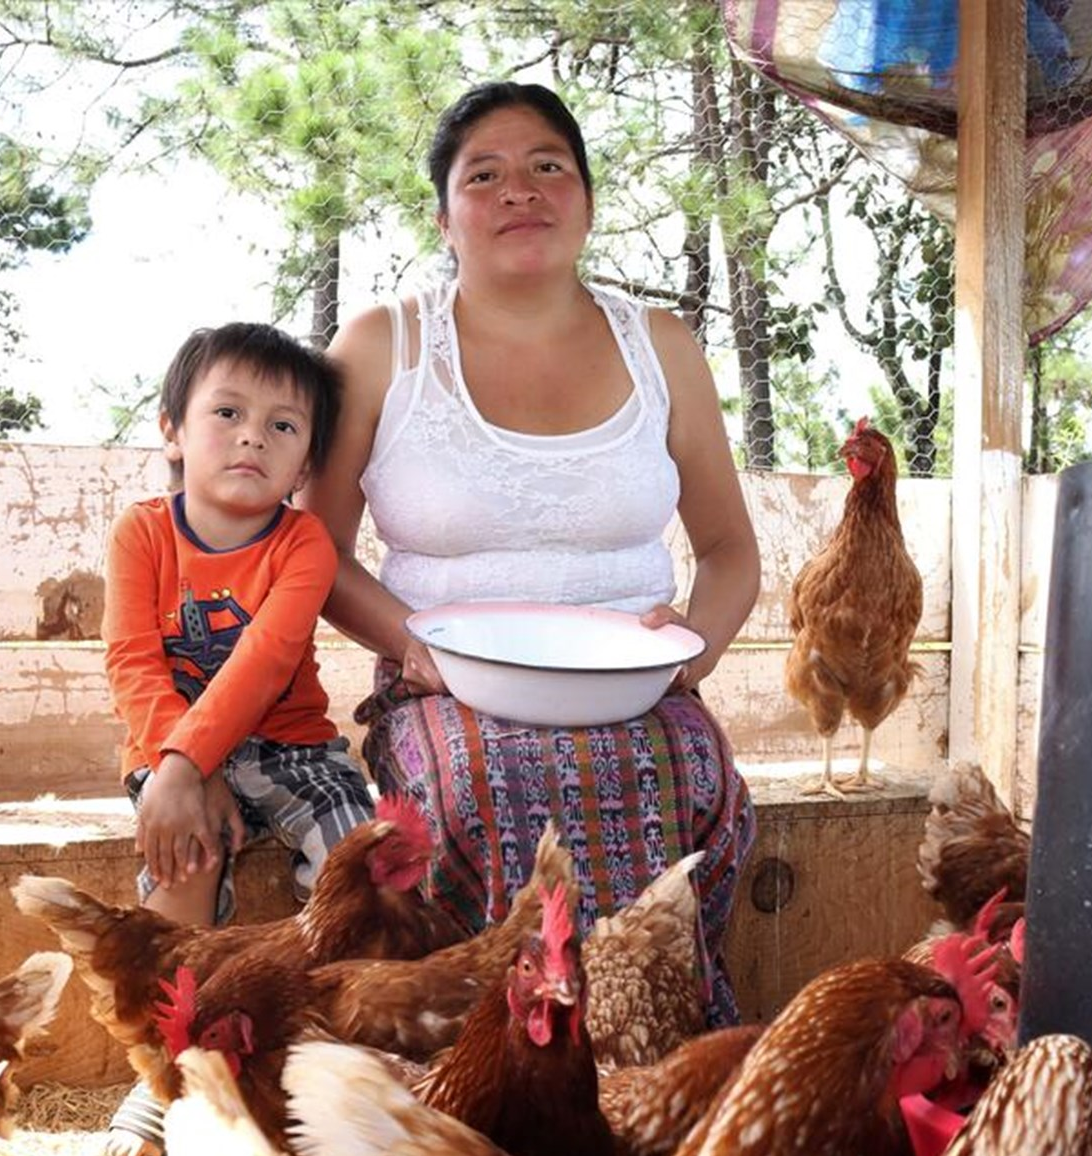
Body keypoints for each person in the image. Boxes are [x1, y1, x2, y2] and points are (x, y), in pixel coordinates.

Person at [305, 80, 762, 1025]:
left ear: (586, 204)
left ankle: (662, 1054)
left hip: (635, 689)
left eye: (549, 167)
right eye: (487, 175)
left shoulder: (663, 345)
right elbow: (318, 547)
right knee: (487, 787)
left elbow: (727, 550)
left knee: (692, 778)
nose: (522, 190)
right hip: (447, 690)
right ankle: (500, 1059)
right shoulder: (384, 344)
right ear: (444, 219)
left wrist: (692, 653)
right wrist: (411, 646)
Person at [98, 321, 375, 1156]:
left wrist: (193, 761)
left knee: (357, 862)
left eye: (284, 426)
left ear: (305, 464)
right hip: (169, 746)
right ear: (173, 428)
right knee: (181, 860)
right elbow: (133, 661)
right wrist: (177, 772)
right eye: (228, 411)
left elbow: (264, 664)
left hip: (292, 747)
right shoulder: (142, 534)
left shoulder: (303, 546)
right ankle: (161, 1079)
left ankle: (333, 1057)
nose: (254, 434)